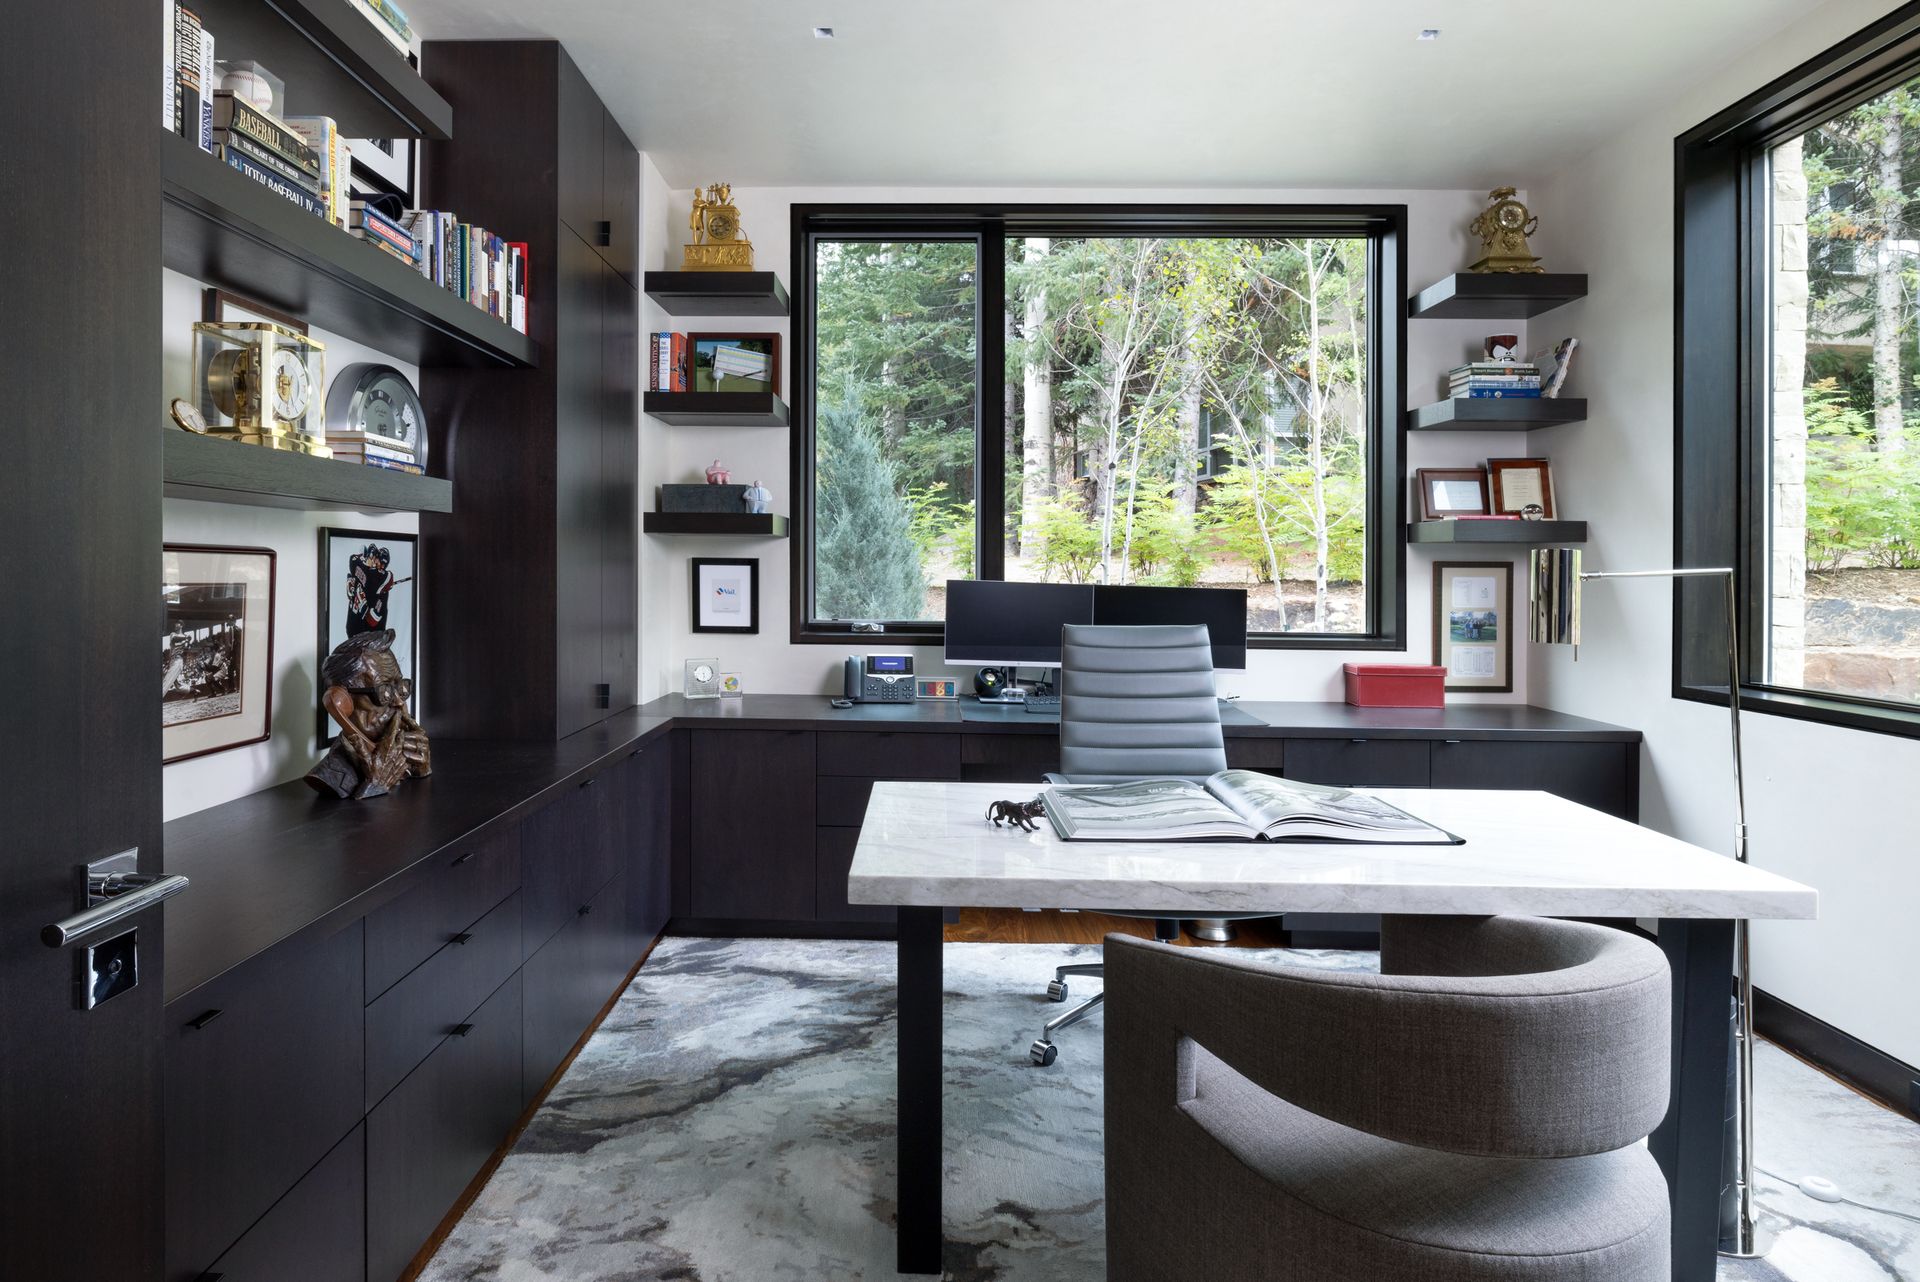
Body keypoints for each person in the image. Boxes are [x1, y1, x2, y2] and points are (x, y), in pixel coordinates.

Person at [305, 629, 431, 800]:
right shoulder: (327, 775)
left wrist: (420, 768)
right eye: (384, 691)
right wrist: (374, 786)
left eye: (400, 686)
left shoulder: (399, 751)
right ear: (341, 703)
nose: (399, 703)